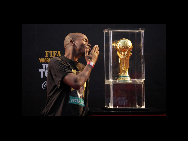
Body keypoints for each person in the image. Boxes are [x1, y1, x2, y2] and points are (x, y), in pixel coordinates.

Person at [41, 33, 99, 116]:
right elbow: (76, 83)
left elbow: (83, 99)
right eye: (84, 40)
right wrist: (90, 63)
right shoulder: (57, 62)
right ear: (72, 42)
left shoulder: (83, 67)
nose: (88, 44)